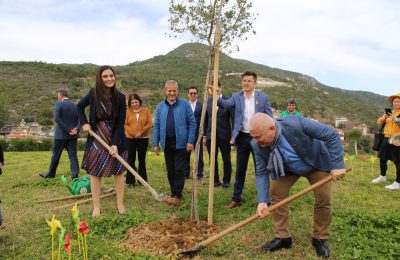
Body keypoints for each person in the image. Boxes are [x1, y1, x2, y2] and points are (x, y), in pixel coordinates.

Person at [249, 113, 346, 258]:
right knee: (276, 194)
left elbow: (331, 134)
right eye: (253, 137)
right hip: (286, 168)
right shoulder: (256, 144)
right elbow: (261, 172)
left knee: (323, 199)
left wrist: (338, 165)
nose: (255, 141)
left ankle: (320, 238)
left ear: (272, 128)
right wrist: (262, 201)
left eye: (258, 137)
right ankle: (283, 238)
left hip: (315, 162)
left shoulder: (297, 123)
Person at [211, 71, 272, 208]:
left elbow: (269, 118)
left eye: (249, 81)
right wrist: (215, 94)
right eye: (244, 80)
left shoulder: (263, 98)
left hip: (258, 138)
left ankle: (264, 200)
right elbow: (224, 104)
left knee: (260, 170)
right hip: (243, 137)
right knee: (240, 169)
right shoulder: (237, 97)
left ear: (255, 83)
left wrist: (268, 137)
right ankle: (236, 198)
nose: (246, 83)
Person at [77, 65, 128, 217]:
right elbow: (79, 106)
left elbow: (120, 123)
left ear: (115, 77)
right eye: (105, 76)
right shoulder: (93, 94)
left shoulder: (120, 97)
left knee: (118, 172)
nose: (109, 79)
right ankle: (96, 206)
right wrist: (84, 123)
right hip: (96, 137)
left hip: (115, 138)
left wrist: (114, 144)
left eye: (111, 75)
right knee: (95, 172)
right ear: (100, 78)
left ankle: (119, 203)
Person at [153, 80, 196, 201]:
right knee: (170, 170)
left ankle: (177, 194)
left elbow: (192, 123)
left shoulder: (185, 104)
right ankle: (173, 191)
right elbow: (156, 125)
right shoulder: (160, 106)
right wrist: (155, 143)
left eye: (174, 91)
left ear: (177, 91)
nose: (172, 93)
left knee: (179, 169)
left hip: (181, 143)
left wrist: (190, 141)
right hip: (166, 143)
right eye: (169, 91)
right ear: (165, 91)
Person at [39, 88, 80, 179]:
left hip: (60, 135)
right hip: (73, 136)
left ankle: (51, 174)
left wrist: (68, 130)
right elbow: (80, 119)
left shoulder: (58, 104)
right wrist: (76, 129)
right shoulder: (76, 105)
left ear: (60, 96)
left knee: (56, 155)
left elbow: (57, 119)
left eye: (58, 95)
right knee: (73, 155)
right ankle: (75, 175)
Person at [203, 82, 233, 188]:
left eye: (217, 87)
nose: (215, 90)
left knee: (226, 159)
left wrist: (233, 135)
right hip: (211, 135)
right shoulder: (208, 102)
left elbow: (233, 119)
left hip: (224, 135)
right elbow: (206, 120)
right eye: (213, 88)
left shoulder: (228, 100)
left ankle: (226, 181)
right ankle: (215, 180)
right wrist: (205, 136)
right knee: (212, 159)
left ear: (220, 88)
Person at [371, 93, 400, 190]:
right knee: (382, 158)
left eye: (398, 101)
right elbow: (378, 122)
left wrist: (396, 119)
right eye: (394, 101)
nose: (396, 103)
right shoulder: (390, 112)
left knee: (397, 161)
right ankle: (382, 176)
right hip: (386, 136)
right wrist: (383, 117)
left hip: (397, 137)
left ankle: (398, 182)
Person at [124, 93, 152, 188]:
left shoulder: (146, 111)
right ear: (130, 103)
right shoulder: (127, 112)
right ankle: (130, 181)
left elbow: (149, 123)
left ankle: (142, 181)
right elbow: (125, 124)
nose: (134, 104)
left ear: (139, 101)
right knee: (131, 160)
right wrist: (133, 133)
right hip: (130, 139)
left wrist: (141, 132)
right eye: (132, 102)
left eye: (136, 102)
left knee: (141, 160)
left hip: (143, 139)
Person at [185, 87, 204, 180]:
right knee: (186, 154)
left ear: (197, 94)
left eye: (194, 93)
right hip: (186, 134)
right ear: (188, 94)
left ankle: (199, 174)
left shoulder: (201, 105)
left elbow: (204, 120)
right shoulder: (184, 105)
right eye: (191, 93)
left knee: (199, 154)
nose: (193, 95)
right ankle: (186, 173)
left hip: (198, 133)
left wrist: (203, 134)